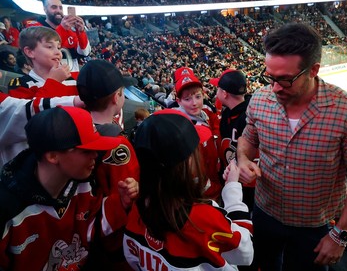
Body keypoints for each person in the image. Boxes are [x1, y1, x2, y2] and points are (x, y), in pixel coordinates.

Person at [236, 22, 347, 271]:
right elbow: (248, 138)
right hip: (265, 213)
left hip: (317, 226)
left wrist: (339, 235)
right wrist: (243, 159)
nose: (275, 87)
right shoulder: (259, 99)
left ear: (313, 70)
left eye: (285, 80)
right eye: (269, 77)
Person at [0, 106, 138, 271]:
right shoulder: (7, 206)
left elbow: (93, 229)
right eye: (86, 150)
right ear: (52, 156)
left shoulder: (85, 183)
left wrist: (120, 202)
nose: (95, 155)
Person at [123, 109, 254, 270]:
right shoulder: (203, 217)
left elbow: (132, 258)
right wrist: (232, 190)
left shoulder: (138, 208)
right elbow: (246, 253)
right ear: (188, 161)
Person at [76, 59, 140, 270]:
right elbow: (126, 195)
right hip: (110, 244)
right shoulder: (117, 145)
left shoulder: (70, 129)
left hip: (77, 229)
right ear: (116, 97)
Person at [174, 72, 222, 201]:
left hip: (214, 175)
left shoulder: (205, 112)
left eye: (197, 96)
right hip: (204, 193)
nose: (194, 103)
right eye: (187, 99)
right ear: (178, 101)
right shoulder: (181, 127)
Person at [216, 69, 256, 211]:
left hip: (247, 186)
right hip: (231, 177)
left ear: (224, 93)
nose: (216, 92)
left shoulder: (249, 118)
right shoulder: (228, 112)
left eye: (218, 89)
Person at [25, 0, 91, 80]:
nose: (58, 11)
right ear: (45, 9)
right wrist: (62, 29)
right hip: (47, 78)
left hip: (72, 77)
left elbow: (84, 52)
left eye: (60, 8)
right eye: (54, 7)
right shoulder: (35, 27)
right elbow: (45, 47)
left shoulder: (70, 30)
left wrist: (81, 32)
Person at [8, 26, 76, 99]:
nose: (58, 52)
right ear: (30, 52)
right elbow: (32, 108)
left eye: (58, 48)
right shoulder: (20, 85)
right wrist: (53, 83)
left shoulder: (71, 80)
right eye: (49, 47)